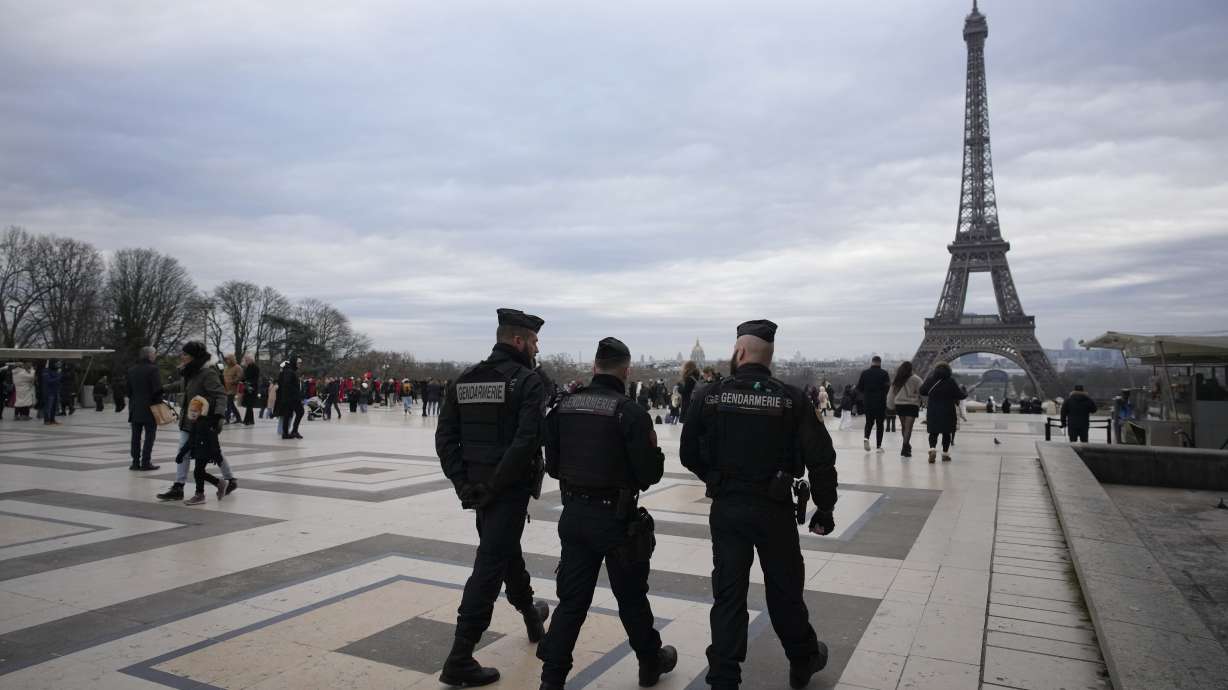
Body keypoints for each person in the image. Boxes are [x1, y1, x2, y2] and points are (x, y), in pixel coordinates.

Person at [680, 320, 837, 690]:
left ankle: (724, 676)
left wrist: (713, 479)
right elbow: (821, 459)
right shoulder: (792, 399)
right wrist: (825, 509)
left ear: (739, 352)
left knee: (729, 594)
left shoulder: (710, 395)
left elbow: (688, 453)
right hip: (774, 509)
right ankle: (802, 659)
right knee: (784, 591)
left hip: (729, 507)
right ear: (770, 356)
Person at [537, 337, 677, 690]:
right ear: (626, 371)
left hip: (575, 515)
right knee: (630, 597)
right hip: (616, 521)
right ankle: (649, 663)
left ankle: (551, 679)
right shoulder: (629, 412)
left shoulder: (564, 407)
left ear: (594, 367)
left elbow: (552, 466)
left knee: (571, 602)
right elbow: (649, 474)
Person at [435, 308, 551, 687]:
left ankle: (532, 616)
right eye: (533, 341)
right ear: (518, 340)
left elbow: (446, 439)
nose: (536, 348)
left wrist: (463, 484)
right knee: (489, 565)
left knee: (504, 552)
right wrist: (496, 487)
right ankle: (460, 655)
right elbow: (526, 442)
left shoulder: (464, 380)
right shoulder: (528, 382)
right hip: (506, 491)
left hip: (478, 488)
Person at [155, 342, 239, 501]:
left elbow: (220, 395)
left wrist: (219, 417)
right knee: (196, 451)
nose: (182, 357)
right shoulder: (191, 372)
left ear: (194, 357)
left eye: (185, 354)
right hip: (189, 420)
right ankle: (180, 487)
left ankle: (226, 480)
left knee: (208, 452)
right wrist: (162, 389)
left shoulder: (207, 373)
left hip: (203, 421)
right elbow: (183, 386)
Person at [920, 362, 966, 464]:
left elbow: (922, 391)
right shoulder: (951, 381)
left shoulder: (930, 380)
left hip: (933, 410)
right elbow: (960, 395)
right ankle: (945, 454)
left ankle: (932, 449)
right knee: (947, 433)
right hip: (948, 410)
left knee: (933, 432)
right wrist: (964, 392)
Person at [126, 347, 163, 471]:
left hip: (135, 408)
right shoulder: (153, 369)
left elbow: (128, 391)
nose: (155, 356)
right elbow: (157, 390)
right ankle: (146, 462)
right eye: (154, 354)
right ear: (149, 355)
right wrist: (159, 405)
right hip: (150, 408)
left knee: (135, 437)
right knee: (149, 436)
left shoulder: (131, 370)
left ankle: (135, 462)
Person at [887, 361, 923, 458]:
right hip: (912, 405)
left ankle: (906, 446)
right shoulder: (916, 379)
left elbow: (891, 393)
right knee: (908, 427)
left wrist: (890, 406)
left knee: (904, 426)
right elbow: (922, 391)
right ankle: (905, 446)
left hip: (900, 404)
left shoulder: (898, 379)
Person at [856, 356, 890, 452]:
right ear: (880, 362)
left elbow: (859, 388)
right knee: (880, 424)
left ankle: (866, 437)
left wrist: (867, 392)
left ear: (872, 362)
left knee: (869, 422)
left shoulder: (865, 373)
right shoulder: (884, 373)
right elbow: (887, 388)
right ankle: (879, 446)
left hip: (868, 401)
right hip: (880, 402)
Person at [277, 355, 305, 439]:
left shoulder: (289, 370)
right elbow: (287, 384)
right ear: (294, 362)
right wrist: (297, 394)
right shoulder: (289, 371)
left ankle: (286, 433)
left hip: (288, 397)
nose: (300, 364)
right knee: (300, 412)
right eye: (299, 362)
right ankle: (293, 431)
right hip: (292, 398)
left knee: (287, 414)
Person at [241, 355, 260, 425]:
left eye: (247, 360)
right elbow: (245, 377)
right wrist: (242, 381)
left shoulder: (255, 368)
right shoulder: (247, 367)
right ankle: (250, 420)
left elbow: (255, 378)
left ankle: (247, 420)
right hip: (247, 388)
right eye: (245, 360)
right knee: (249, 406)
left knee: (249, 405)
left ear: (251, 360)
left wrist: (248, 382)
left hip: (252, 389)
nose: (246, 361)